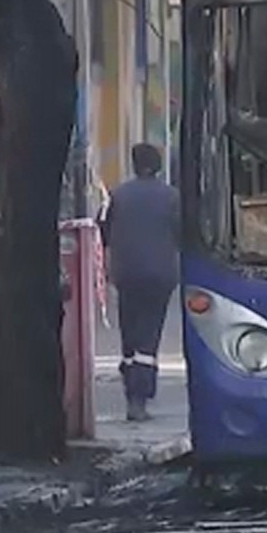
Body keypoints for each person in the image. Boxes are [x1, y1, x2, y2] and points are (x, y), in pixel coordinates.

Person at [101, 143, 179, 422]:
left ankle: (131, 388)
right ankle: (140, 397)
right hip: (160, 275)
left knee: (130, 332)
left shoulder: (118, 196)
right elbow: (182, 233)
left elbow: (104, 233)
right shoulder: (172, 197)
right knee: (149, 334)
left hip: (127, 274)